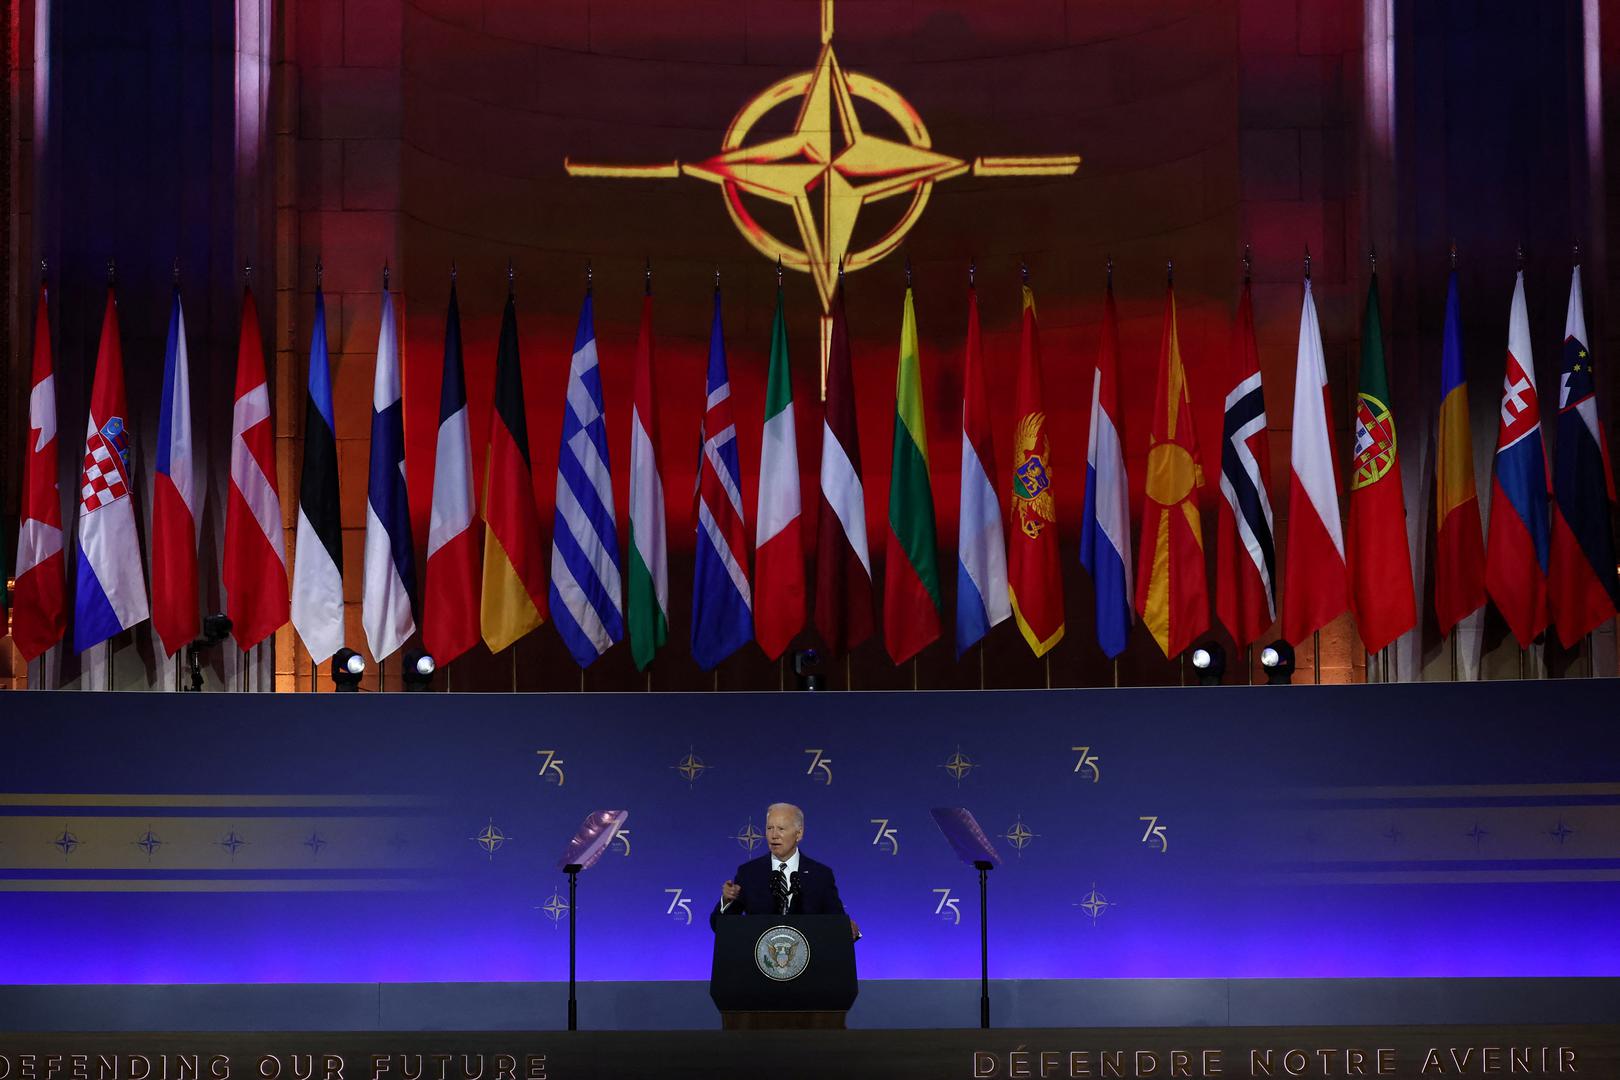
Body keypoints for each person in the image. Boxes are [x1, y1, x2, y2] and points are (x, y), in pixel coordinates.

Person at [712, 802, 861, 941]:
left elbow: (836, 922)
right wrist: (727, 901)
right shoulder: (749, 873)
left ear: (799, 833)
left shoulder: (820, 875)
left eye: (781, 829)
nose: (774, 835)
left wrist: (847, 928)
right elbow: (720, 926)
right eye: (770, 828)